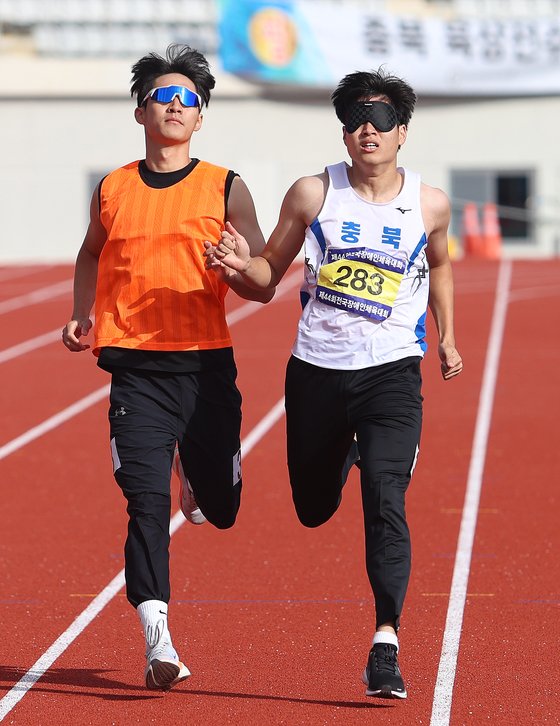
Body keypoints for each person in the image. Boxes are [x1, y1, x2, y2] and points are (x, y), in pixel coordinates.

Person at [206, 68, 463, 700]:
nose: (366, 128)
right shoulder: (313, 194)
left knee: (386, 501)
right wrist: (244, 267)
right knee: (314, 508)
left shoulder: (429, 204)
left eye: (379, 117)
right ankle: (343, 457)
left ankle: (386, 642)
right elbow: (268, 277)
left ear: (402, 130)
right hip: (318, 372)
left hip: (392, 372)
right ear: (344, 131)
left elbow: (441, 267)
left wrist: (448, 337)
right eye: (354, 117)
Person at [62, 44, 273, 691]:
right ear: (140, 111)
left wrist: (238, 269)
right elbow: (90, 253)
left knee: (223, 505)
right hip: (136, 370)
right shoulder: (114, 187)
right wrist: (81, 314)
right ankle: (159, 638)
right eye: (165, 96)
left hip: (205, 368)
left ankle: (198, 474)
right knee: (144, 505)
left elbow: (264, 281)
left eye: (189, 100)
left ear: (201, 118)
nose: (177, 107)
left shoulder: (225, 186)